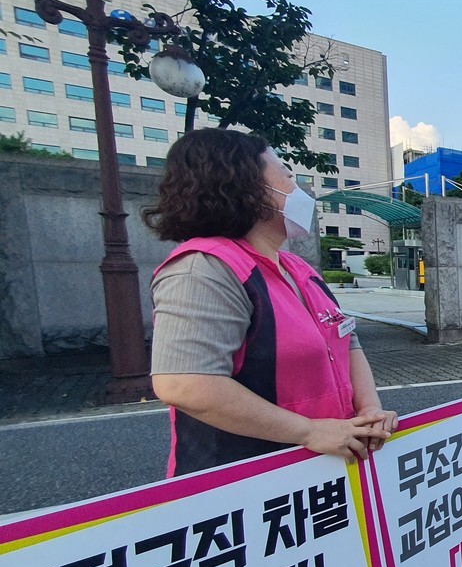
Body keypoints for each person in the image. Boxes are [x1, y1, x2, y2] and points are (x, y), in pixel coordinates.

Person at [147, 128, 397, 478]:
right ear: (248, 187)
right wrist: (309, 431)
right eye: (287, 175)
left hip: (318, 469)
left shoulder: (298, 269)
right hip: (244, 482)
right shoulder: (203, 270)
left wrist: (369, 410)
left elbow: (346, 340)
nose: (297, 188)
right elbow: (185, 383)